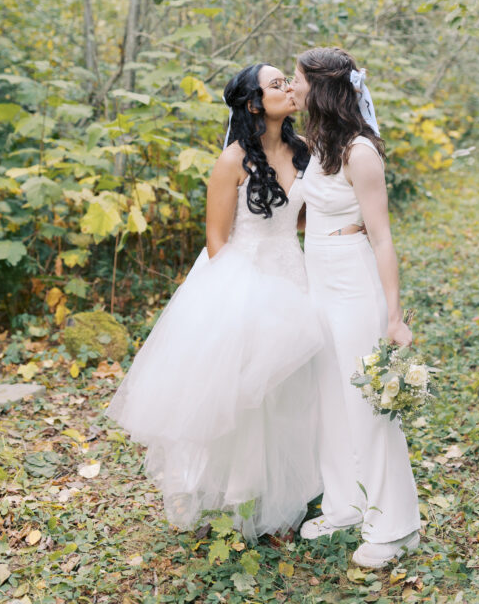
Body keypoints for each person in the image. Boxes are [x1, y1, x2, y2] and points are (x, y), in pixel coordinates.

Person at [106, 64, 323, 539]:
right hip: (241, 282)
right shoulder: (232, 160)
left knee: (288, 391)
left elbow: (294, 218)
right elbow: (217, 239)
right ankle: (234, 500)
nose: (288, 88)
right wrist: (247, 300)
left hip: (292, 274)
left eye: (287, 81)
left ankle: (283, 501)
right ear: (253, 104)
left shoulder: (305, 150)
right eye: (276, 84)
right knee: (243, 397)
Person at [289, 46, 421, 569]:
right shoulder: (317, 144)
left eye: (297, 79)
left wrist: (394, 316)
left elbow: (382, 238)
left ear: (319, 88)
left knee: (368, 405)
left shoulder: (360, 153)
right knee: (329, 398)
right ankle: (344, 504)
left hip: (353, 282)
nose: (292, 86)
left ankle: (396, 528)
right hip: (317, 279)